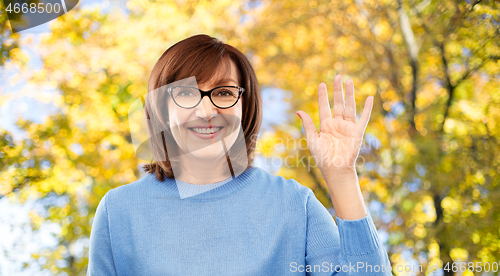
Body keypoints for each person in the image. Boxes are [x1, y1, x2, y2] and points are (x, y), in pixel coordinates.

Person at [87, 34, 392, 275]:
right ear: (160, 110)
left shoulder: (294, 205)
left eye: (224, 92)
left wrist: (341, 177)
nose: (206, 111)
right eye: (185, 93)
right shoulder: (118, 212)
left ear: (245, 107)